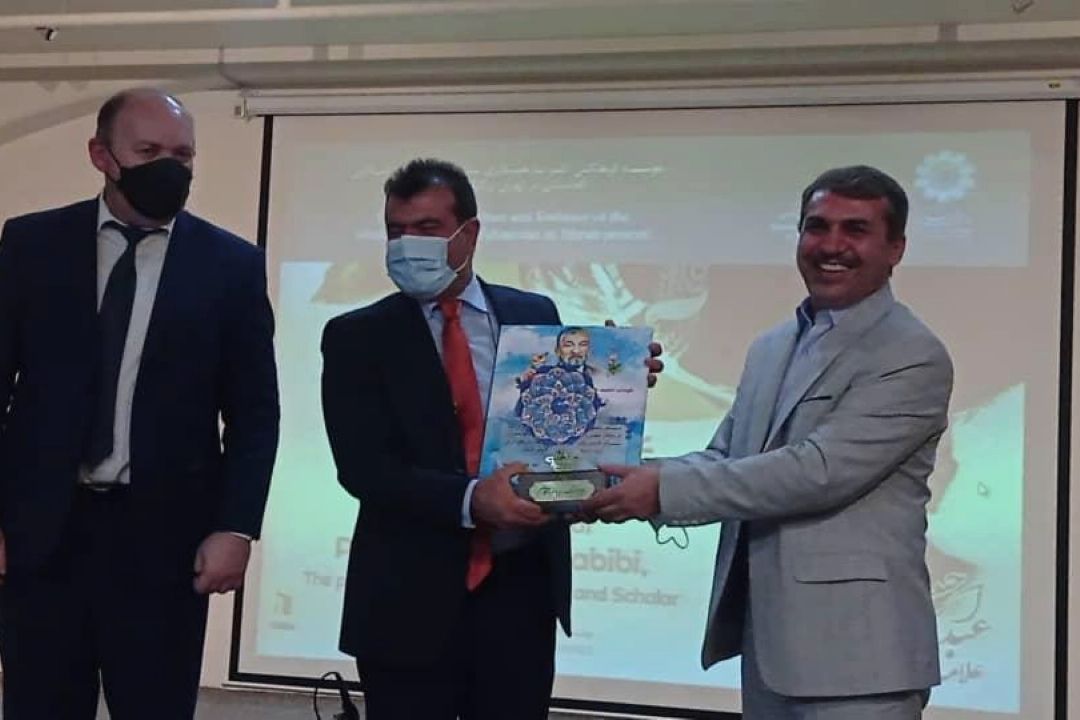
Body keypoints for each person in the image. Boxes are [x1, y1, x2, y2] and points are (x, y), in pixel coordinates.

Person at [586, 165, 952, 720]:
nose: (831, 245)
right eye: (817, 226)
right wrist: (602, 472)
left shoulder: (911, 354)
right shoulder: (772, 345)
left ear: (895, 248)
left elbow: (816, 472)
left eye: (855, 230)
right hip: (770, 651)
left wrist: (657, 491)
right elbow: (725, 459)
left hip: (860, 664)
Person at [320, 158, 659, 720]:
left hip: (520, 591)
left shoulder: (533, 314)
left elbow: (559, 424)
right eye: (395, 231)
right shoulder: (357, 336)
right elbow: (365, 469)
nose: (407, 245)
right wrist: (472, 499)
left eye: (426, 229)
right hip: (406, 600)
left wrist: (617, 379)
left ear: (469, 233)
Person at [0, 88, 280, 720]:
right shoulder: (32, 245)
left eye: (182, 155)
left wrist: (236, 527)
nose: (168, 168)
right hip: (42, 534)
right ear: (102, 155)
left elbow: (255, 412)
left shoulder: (231, 265)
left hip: (165, 542)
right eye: (148, 151)